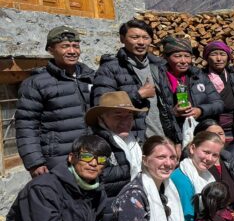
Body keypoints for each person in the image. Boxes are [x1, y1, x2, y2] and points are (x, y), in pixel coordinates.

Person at [16, 25, 96, 175]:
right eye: (65, 46)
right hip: (58, 159)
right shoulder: (36, 83)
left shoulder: (90, 77)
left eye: (76, 46)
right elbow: (26, 126)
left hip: (91, 155)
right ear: (51, 50)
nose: (72, 51)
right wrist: (35, 162)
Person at [92, 19, 164, 139]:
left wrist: (175, 138)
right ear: (122, 39)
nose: (141, 42)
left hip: (162, 137)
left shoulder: (159, 67)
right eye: (135, 37)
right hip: (134, 139)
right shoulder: (110, 69)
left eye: (145, 38)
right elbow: (101, 105)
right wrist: (138, 95)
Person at [155, 36, 224, 149]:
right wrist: (173, 113)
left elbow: (219, 103)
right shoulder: (159, 78)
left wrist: (200, 110)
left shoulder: (198, 76)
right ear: (166, 58)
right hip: (170, 135)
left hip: (199, 132)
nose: (183, 61)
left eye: (187, 56)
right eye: (177, 56)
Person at [86, 92, 146, 200]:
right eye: (118, 116)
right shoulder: (95, 147)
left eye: (129, 116)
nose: (125, 121)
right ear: (101, 118)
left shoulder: (136, 143)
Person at [201, 41, 234, 138]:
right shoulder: (199, 78)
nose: (219, 59)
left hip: (233, 128)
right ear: (207, 58)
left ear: (228, 57)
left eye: (222, 54)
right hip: (209, 127)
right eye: (214, 54)